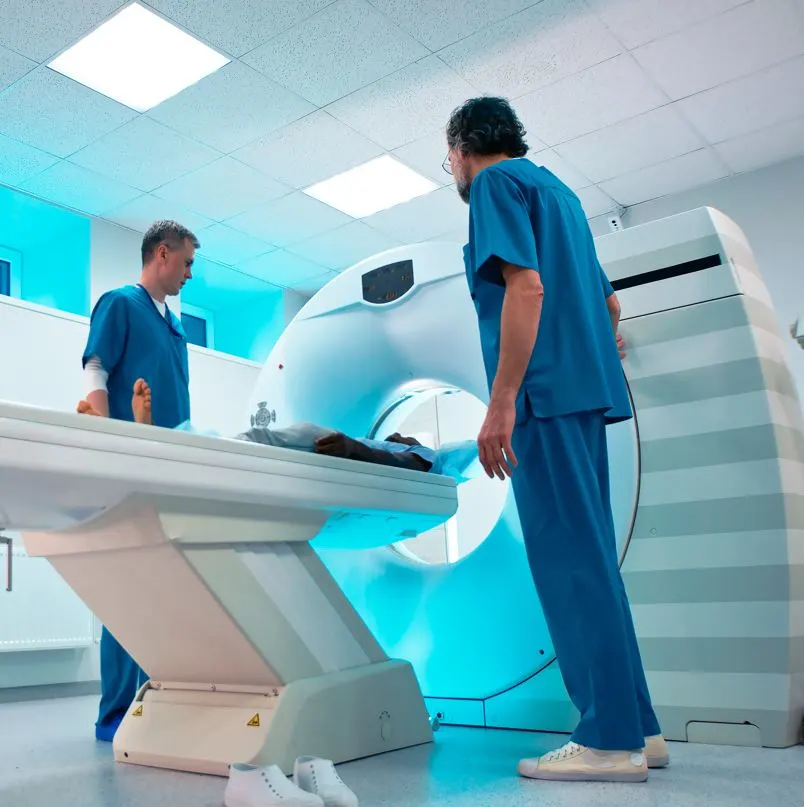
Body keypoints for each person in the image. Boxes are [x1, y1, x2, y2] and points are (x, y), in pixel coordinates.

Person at [444, 97, 667, 783]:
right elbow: (608, 305)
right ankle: (639, 726)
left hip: (542, 397)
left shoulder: (493, 185)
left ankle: (606, 739)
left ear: (462, 148)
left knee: (569, 563)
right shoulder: (560, 194)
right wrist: (589, 351)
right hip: (583, 394)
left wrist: (503, 400)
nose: (450, 168)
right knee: (592, 558)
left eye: (447, 156)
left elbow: (527, 287)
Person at [81, 219, 199, 742]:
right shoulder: (120, 303)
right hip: (133, 461)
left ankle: (158, 703)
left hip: (171, 462)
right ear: (161, 254)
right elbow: (96, 372)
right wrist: (112, 444)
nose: (189, 274)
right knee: (128, 589)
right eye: (187, 262)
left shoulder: (173, 324)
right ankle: (114, 717)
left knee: (164, 587)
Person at [77, 379, 441, 474]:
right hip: (335, 443)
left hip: (332, 445)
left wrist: (353, 447)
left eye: (402, 437)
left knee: (254, 440)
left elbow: (410, 464)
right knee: (248, 442)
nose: (397, 434)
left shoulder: (425, 456)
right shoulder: (393, 445)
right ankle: (152, 438)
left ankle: (151, 438)